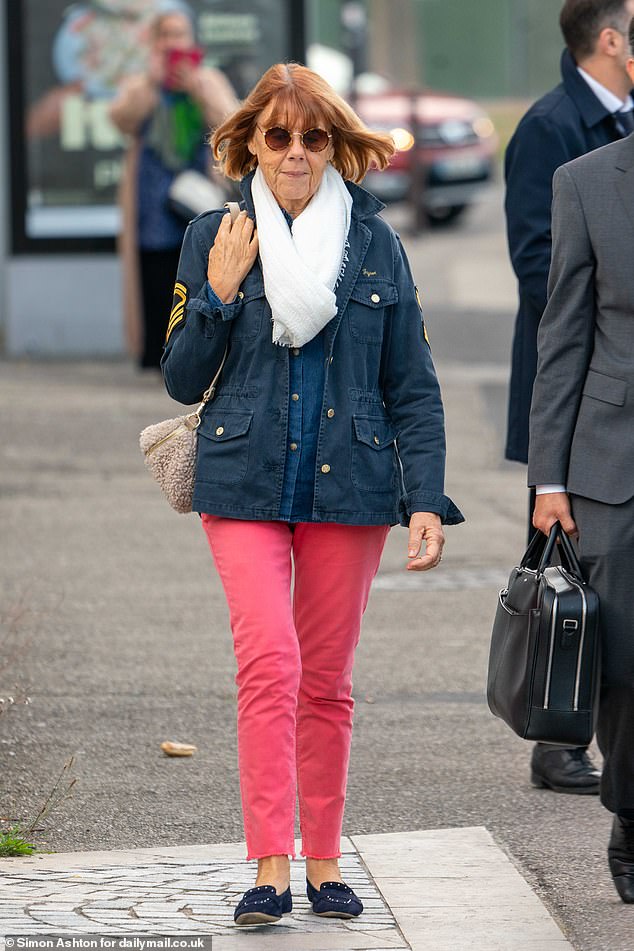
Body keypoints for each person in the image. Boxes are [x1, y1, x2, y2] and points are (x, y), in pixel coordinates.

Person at [161, 62, 463, 926]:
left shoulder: (377, 246)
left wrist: (426, 498)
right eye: (279, 136)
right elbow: (182, 379)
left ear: (336, 147)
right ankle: (268, 867)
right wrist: (217, 296)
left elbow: (413, 384)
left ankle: (325, 863)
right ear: (251, 141)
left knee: (325, 681)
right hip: (242, 480)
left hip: (352, 486)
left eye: (314, 137)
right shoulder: (216, 234)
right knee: (271, 664)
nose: (296, 153)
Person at [504, 0, 634, 794]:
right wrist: (549, 472)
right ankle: (568, 746)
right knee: (597, 624)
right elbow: (545, 285)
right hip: (601, 431)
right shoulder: (558, 137)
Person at [109, 4, 236, 369]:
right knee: (154, 272)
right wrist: (151, 83)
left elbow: (231, 123)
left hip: (198, 194)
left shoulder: (208, 79)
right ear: (154, 42)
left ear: (191, 40)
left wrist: (197, 88)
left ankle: (195, 358)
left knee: (199, 270)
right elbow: (120, 118)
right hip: (151, 198)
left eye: (178, 34)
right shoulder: (142, 82)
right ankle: (153, 355)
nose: (171, 42)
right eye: (164, 35)